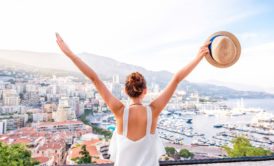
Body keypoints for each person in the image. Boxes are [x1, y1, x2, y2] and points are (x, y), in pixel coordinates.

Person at [56, 33, 210, 166]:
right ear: (145, 91)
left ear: (125, 91)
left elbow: (94, 78)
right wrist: (198, 57)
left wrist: (71, 54)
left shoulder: (120, 111)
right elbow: (176, 79)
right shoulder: (153, 111)